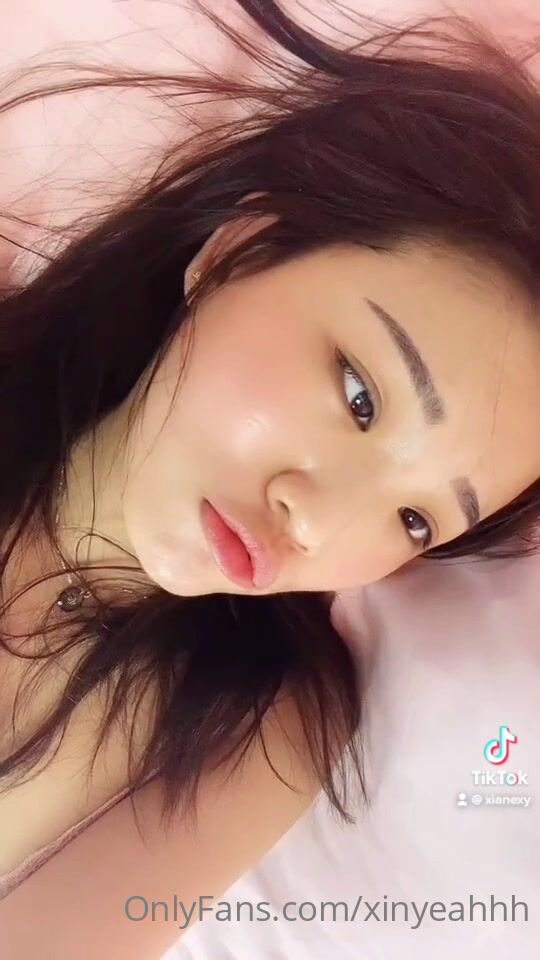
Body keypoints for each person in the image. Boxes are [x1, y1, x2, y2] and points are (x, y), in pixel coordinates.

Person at [1, 0, 540, 955]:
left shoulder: (255, 728)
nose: (321, 522)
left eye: (416, 520)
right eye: (361, 397)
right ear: (235, 250)